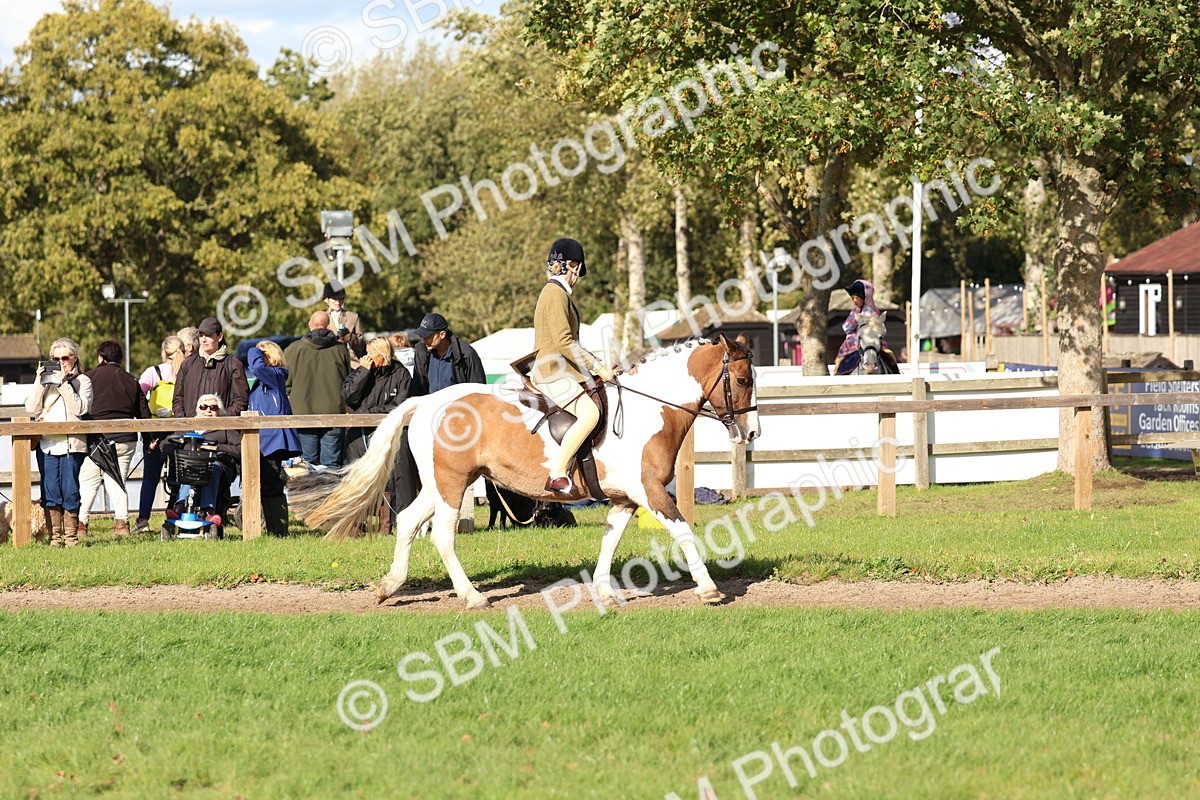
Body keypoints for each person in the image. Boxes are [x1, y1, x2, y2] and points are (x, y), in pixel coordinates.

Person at [531, 237, 614, 494]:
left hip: (562, 369)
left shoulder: (557, 293)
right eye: (577, 268)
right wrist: (599, 366)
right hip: (552, 373)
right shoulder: (555, 294)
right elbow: (564, 342)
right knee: (591, 414)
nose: (578, 275)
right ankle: (557, 473)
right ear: (571, 266)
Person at [343, 336, 416, 533]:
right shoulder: (361, 371)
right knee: (356, 478)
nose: (367, 357)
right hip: (359, 436)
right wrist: (363, 371)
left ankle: (389, 525)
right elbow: (349, 396)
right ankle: (355, 526)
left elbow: (400, 404)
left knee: (391, 478)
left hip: (388, 432)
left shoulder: (401, 374)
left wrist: (369, 413)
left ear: (383, 356)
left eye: (371, 354)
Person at [77, 340, 150, 539]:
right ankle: (121, 524)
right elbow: (143, 413)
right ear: (120, 359)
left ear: (101, 357)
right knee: (117, 480)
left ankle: (81, 525)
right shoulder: (131, 380)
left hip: (96, 440)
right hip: (125, 440)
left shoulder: (87, 378)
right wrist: (149, 438)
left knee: (88, 481)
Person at [25, 338, 93, 546]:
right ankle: (55, 538)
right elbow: (31, 409)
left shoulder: (83, 381)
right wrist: (39, 381)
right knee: (50, 491)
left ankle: (71, 538)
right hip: (47, 446)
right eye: (56, 358)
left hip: (72, 444)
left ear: (74, 359)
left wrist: (64, 383)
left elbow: (80, 409)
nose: (61, 362)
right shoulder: (45, 383)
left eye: (65, 357)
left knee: (70, 490)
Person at [247, 341, 302, 537]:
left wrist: (255, 350)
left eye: (262, 353)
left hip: (272, 440)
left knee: (273, 484)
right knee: (266, 484)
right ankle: (272, 530)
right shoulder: (264, 381)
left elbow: (256, 366)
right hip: (262, 440)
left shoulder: (275, 375)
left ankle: (279, 531)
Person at [285, 311, 351, 468]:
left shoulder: (293, 350)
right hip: (334, 414)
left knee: (305, 463)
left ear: (310, 324)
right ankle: (331, 493)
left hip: (303, 414)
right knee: (332, 465)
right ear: (328, 326)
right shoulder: (340, 350)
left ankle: (308, 493)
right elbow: (349, 381)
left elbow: (287, 383)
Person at [134, 336, 186, 533]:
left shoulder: (153, 372)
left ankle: (142, 520)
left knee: (150, 478)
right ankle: (175, 512)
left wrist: (147, 427)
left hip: (155, 431)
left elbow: (138, 396)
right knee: (179, 475)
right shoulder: (187, 371)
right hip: (179, 430)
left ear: (164, 353)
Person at [163, 394, 241, 526]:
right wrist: (177, 449)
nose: (208, 411)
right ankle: (180, 506)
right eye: (204, 407)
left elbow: (240, 448)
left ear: (219, 411)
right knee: (190, 465)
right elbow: (166, 443)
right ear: (198, 410)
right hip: (189, 464)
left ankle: (208, 510)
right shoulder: (188, 426)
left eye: (213, 407)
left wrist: (217, 447)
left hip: (216, 464)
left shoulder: (225, 427)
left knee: (211, 467)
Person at [173, 317, 249, 418]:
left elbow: (241, 400)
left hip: (221, 431)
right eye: (201, 335)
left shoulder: (233, 364)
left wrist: (222, 419)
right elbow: (178, 398)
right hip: (190, 431)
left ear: (220, 337)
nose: (203, 340)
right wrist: (183, 422)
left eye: (208, 335)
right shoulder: (187, 363)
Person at [410, 312, 485, 396]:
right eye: (423, 336)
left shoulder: (467, 354)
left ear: (442, 334)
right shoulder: (421, 351)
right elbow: (418, 389)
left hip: (458, 407)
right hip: (430, 407)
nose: (423, 340)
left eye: (428, 336)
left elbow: (478, 392)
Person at [835, 279, 893, 375]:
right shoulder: (866, 311)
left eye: (857, 298)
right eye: (853, 298)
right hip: (865, 342)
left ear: (864, 297)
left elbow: (847, 327)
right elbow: (846, 328)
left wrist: (854, 321)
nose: (854, 301)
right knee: (891, 359)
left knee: (841, 362)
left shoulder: (864, 311)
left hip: (858, 344)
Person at [324, 281, 365, 359]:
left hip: (350, 360)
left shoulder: (353, 316)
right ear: (326, 300)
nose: (338, 302)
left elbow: (361, 344)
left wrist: (350, 337)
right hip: (329, 359)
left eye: (341, 298)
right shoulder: (322, 317)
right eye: (334, 299)